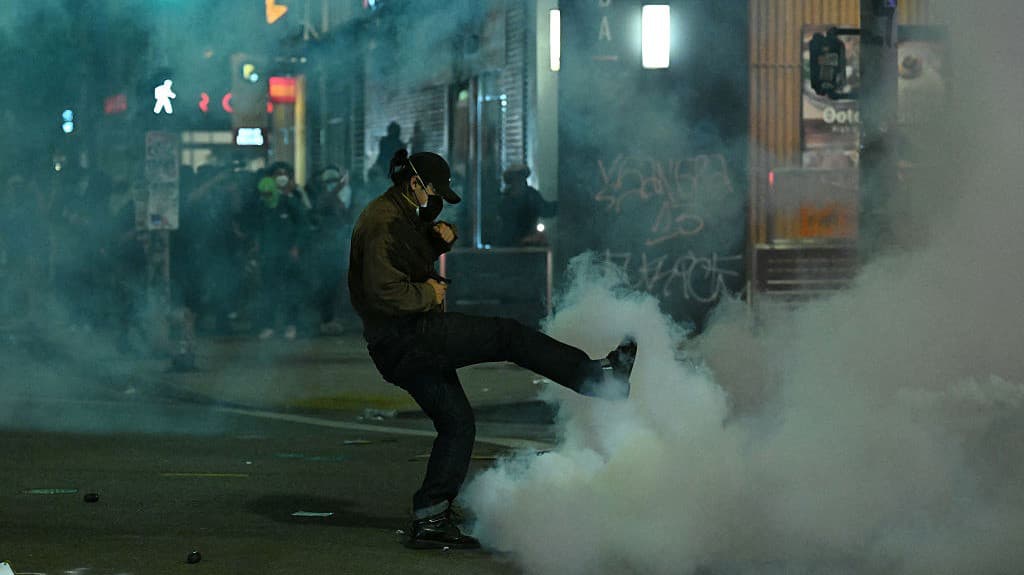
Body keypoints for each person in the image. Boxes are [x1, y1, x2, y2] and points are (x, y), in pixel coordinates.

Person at [348, 149, 637, 550]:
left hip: (401, 344)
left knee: (458, 423)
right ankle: (596, 377)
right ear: (415, 183)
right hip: (411, 337)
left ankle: (430, 517)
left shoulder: (396, 216)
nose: (435, 201)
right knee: (507, 336)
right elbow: (384, 291)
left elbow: (405, 260)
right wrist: (427, 293)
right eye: (434, 192)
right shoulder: (383, 222)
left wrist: (434, 242)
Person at [309, 165, 354, 335]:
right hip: (324, 249)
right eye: (329, 182)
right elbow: (320, 208)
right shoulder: (322, 197)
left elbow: (347, 219)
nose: (331, 184)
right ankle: (326, 318)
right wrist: (336, 190)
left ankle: (333, 318)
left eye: (334, 181)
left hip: (339, 247)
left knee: (337, 285)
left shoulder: (344, 198)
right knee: (325, 284)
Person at [494, 163, 558, 246]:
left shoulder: (532, 195)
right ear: (510, 180)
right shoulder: (504, 199)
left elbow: (545, 210)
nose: (520, 180)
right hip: (508, 244)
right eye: (516, 177)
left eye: (522, 176)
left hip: (530, 241)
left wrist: (562, 205)